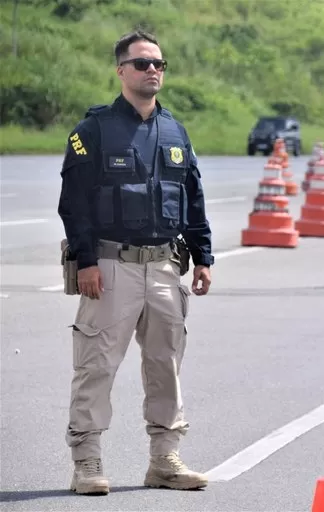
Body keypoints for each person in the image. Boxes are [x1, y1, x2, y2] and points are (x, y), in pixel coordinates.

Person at [57, 30, 214, 495]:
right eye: (143, 63)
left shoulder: (175, 131)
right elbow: (74, 203)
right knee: (96, 367)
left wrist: (203, 257)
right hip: (109, 267)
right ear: (121, 70)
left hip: (166, 267)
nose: (152, 71)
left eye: (159, 65)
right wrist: (86, 260)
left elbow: (192, 197)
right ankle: (87, 462)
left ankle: (164, 460)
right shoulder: (93, 131)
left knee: (166, 364)